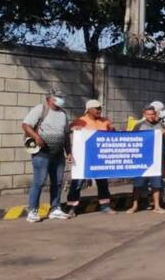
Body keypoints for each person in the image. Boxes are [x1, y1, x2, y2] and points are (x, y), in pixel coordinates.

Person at [21, 88, 71, 223]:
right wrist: (36, 137)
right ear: (50, 98)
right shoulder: (41, 109)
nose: (61, 99)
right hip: (42, 154)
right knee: (39, 181)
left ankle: (55, 209)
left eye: (62, 97)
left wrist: (69, 152)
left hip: (58, 154)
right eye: (58, 97)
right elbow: (26, 125)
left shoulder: (63, 114)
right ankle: (33, 210)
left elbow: (66, 134)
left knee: (58, 182)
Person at [67, 99, 116, 216]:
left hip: (100, 158)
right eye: (97, 108)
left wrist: (113, 129)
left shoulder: (105, 121)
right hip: (84, 158)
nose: (99, 110)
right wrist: (74, 129)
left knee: (103, 182)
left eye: (100, 108)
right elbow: (68, 130)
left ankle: (105, 206)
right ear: (88, 110)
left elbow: (113, 135)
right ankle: (71, 207)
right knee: (77, 182)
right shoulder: (81, 121)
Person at [128, 105, 165, 214]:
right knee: (138, 184)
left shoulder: (160, 126)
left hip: (156, 160)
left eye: (153, 114)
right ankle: (134, 206)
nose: (151, 116)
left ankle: (156, 206)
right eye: (148, 114)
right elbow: (131, 141)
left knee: (156, 184)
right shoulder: (138, 126)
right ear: (144, 114)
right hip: (142, 160)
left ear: (155, 114)